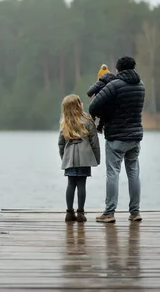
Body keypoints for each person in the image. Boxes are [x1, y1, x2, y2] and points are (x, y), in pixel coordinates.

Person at [89, 56, 145, 223]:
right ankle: (135, 212)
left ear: (118, 70)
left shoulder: (114, 85)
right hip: (135, 137)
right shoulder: (141, 86)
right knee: (133, 172)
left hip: (116, 138)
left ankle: (109, 212)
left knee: (113, 173)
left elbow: (93, 106)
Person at [58, 94, 101, 222]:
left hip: (70, 159)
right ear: (78, 106)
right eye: (80, 102)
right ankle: (81, 213)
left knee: (70, 184)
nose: (82, 103)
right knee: (82, 184)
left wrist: (64, 158)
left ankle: (69, 212)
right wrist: (96, 158)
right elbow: (94, 141)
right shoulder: (87, 121)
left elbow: (61, 143)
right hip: (85, 158)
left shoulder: (64, 123)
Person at [86, 64, 117, 133]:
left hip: (100, 106)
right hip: (111, 109)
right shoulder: (114, 84)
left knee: (93, 109)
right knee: (105, 111)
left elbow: (89, 93)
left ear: (100, 76)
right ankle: (100, 127)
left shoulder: (100, 83)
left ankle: (91, 125)